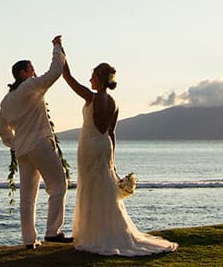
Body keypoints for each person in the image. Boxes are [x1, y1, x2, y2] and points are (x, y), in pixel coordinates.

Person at [62, 59, 178, 256]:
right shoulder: (114, 104)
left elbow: (68, 77)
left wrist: (60, 53)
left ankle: (92, 235)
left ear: (98, 79)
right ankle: (106, 232)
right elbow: (112, 133)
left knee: (90, 187)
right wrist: (112, 162)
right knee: (104, 189)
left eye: (92, 76)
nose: (89, 79)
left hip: (90, 146)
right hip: (105, 147)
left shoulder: (91, 97)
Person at [0, 35, 72, 249]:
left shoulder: (6, 101)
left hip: (23, 150)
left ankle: (30, 240)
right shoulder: (30, 86)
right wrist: (57, 47)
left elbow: (3, 132)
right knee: (58, 185)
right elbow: (55, 72)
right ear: (23, 74)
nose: (34, 73)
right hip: (39, 143)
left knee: (27, 197)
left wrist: (16, 143)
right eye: (31, 69)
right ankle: (53, 232)